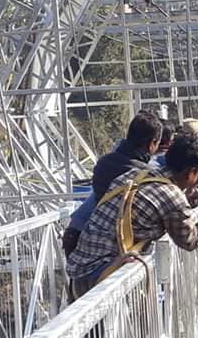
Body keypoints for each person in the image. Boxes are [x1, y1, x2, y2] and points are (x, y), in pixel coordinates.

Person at [66, 133, 198, 299]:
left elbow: (165, 211)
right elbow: (190, 240)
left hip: (78, 274)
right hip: (103, 280)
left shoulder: (137, 175)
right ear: (190, 172)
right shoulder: (172, 196)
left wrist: (196, 198)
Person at [61, 110, 162, 257]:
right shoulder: (144, 174)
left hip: (77, 235)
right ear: (152, 143)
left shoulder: (104, 163)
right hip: (109, 247)